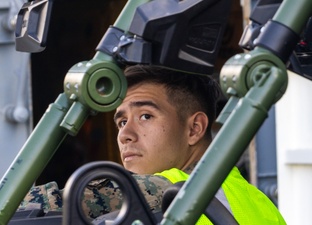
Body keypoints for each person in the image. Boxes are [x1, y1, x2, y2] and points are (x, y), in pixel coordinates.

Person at [19, 65, 286, 224]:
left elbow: (53, 204)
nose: (126, 135)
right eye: (122, 122)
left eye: (146, 116)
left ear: (194, 128)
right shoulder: (261, 203)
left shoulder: (166, 188)